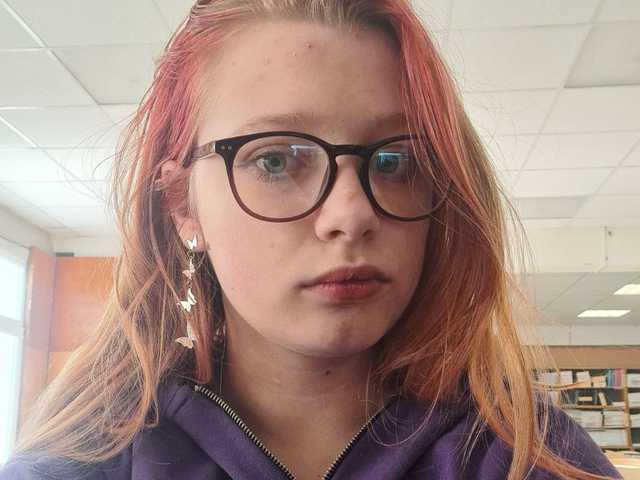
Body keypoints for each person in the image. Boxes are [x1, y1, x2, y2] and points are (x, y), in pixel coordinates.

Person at [0, 1, 623, 479]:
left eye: (395, 160)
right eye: (275, 160)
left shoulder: (530, 456)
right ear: (182, 205)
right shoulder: (81, 466)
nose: (351, 215)